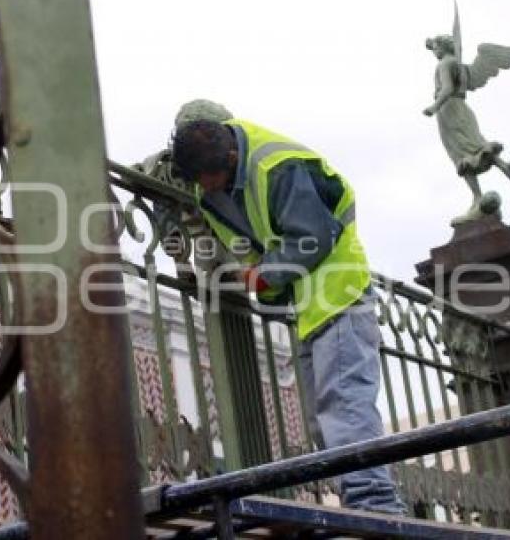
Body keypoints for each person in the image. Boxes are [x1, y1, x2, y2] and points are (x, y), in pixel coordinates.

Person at [172, 118, 406, 515]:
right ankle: (364, 505)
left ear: (231, 158)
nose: (205, 188)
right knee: (325, 419)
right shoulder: (229, 171)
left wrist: (260, 275)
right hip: (313, 307)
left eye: (209, 178)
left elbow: (311, 237)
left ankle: (377, 508)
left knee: (345, 408)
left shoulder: (277, 167)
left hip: (340, 296)